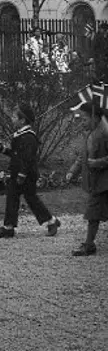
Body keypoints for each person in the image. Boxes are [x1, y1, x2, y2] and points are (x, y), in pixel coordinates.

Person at [0, 103, 61, 239]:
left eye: (14, 116)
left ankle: (51, 221)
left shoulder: (29, 137)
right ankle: (8, 227)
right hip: (16, 172)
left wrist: (22, 174)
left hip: (26, 174)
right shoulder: (19, 135)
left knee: (31, 198)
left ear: (22, 120)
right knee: (12, 197)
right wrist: (2, 149)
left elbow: (28, 158)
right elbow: (15, 154)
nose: (11, 118)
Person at [65, 97, 108, 256]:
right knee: (95, 212)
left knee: (93, 213)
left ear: (95, 117)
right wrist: (72, 170)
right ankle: (89, 243)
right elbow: (82, 157)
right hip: (96, 182)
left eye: (84, 118)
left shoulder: (105, 133)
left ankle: (89, 245)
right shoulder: (90, 133)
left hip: (103, 181)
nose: (81, 122)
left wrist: (98, 163)